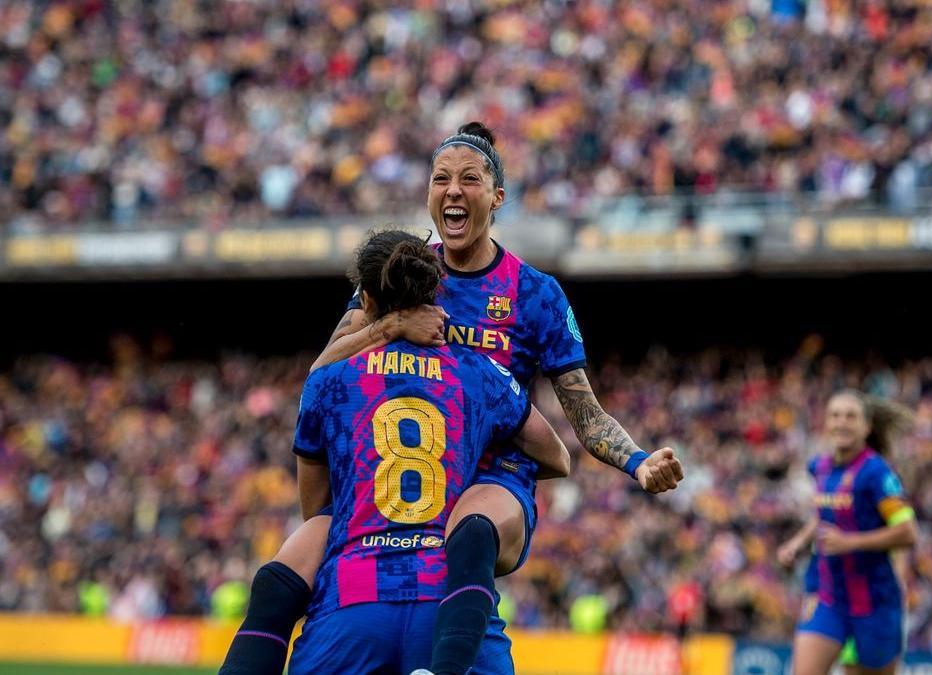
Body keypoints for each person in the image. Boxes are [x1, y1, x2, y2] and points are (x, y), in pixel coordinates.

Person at [220, 122, 683, 675]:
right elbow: (326, 370)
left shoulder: (534, 293)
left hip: (492, 472)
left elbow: (584, 414)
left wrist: (638, 462)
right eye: (442, 179)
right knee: (293, 560)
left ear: (497, 197)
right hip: (397, 481)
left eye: (470, 179)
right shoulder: (408, 273)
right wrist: (393, 324)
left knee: (471, 529)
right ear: (429, 195)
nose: (454, 190)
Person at [282, 229, 567, 673]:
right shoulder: (477, 371)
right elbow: (557, 457)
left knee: (273, 591)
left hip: (352, 601)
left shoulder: (329, 380)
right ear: (436, 295)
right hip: (447, 595)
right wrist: (480, 462)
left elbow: (316, 509)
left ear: (367, 301)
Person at [777, 390, 917, 675]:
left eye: (850, 416)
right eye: (835, 415)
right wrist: (798, 542)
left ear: (866, 427)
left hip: (875, 604)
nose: (842, 422)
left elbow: (907, 533)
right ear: (826, 423)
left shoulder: (879, 474)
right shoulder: (820, 467)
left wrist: (850, 542)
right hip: (829, 597)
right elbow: (826, 515)